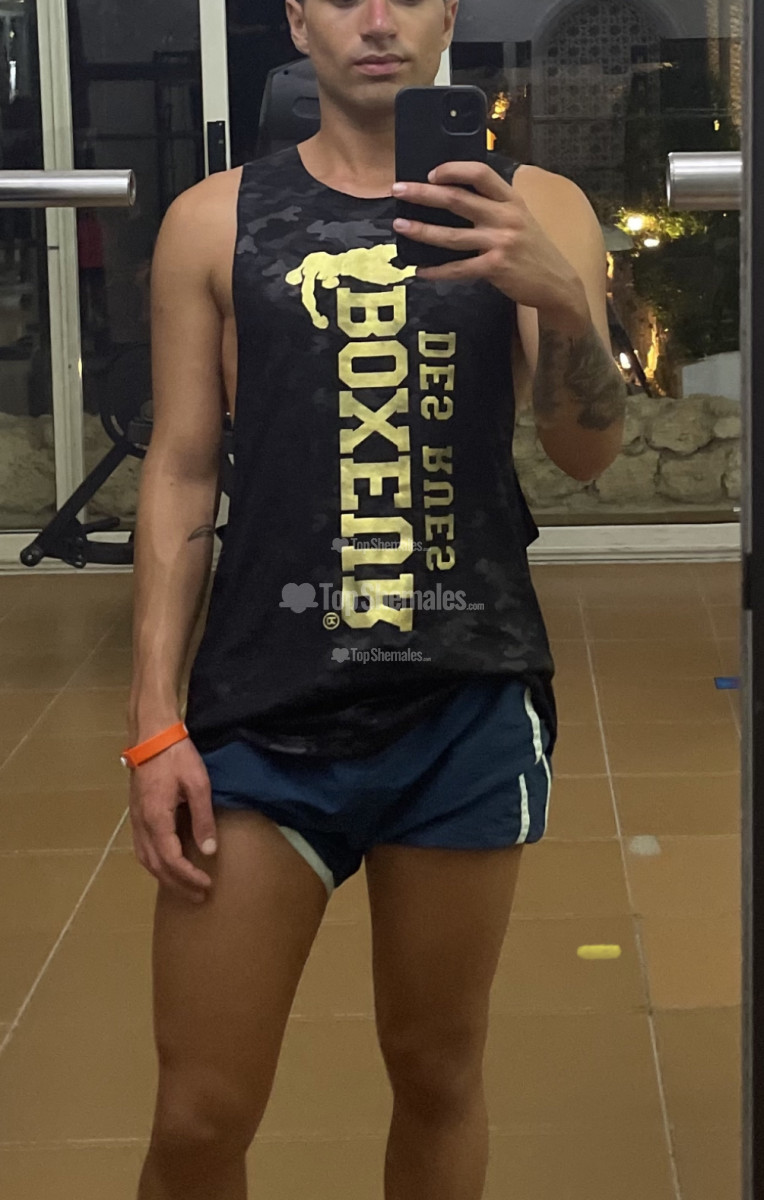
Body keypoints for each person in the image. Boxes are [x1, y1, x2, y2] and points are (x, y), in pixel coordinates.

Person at [127, 1, 626, 1197]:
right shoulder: (213, 220)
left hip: (462, 700)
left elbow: (587, 452)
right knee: (198, 1112)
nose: (374, 17)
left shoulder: (536, 204)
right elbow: (182, 468)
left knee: (436, 1071)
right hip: (263, 703)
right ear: (296, 19)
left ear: (445, 12)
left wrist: (561, 299)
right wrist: (152, 719)